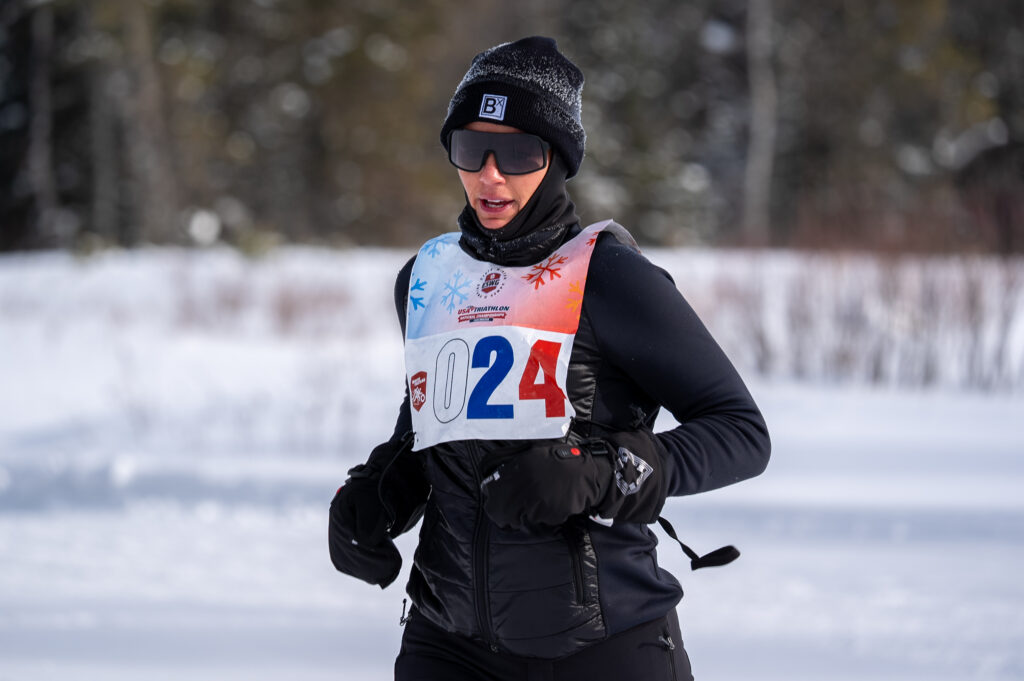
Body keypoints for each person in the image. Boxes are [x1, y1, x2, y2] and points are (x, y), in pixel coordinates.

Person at [329, 36, 771, 681]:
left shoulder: (610, 276)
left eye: (516, 152)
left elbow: (742, 433)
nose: (489, 174)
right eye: (469, 148)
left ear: (558, 158)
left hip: (601, 642)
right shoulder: (429, 277)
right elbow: (429, 427)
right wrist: (376, 494)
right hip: (447, 641)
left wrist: (600, 472)